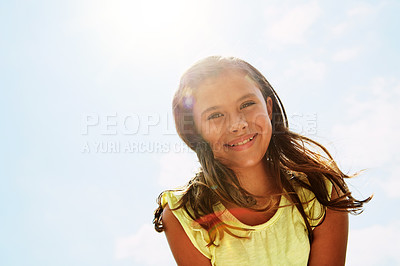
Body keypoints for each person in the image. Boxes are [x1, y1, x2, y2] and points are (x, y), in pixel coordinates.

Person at [153, 56, 371, 266]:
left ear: (268, 108)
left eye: (247, 104)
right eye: (215, 115)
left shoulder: (321, 192)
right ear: (196, 131)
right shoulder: (185, 216)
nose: (237, 124)